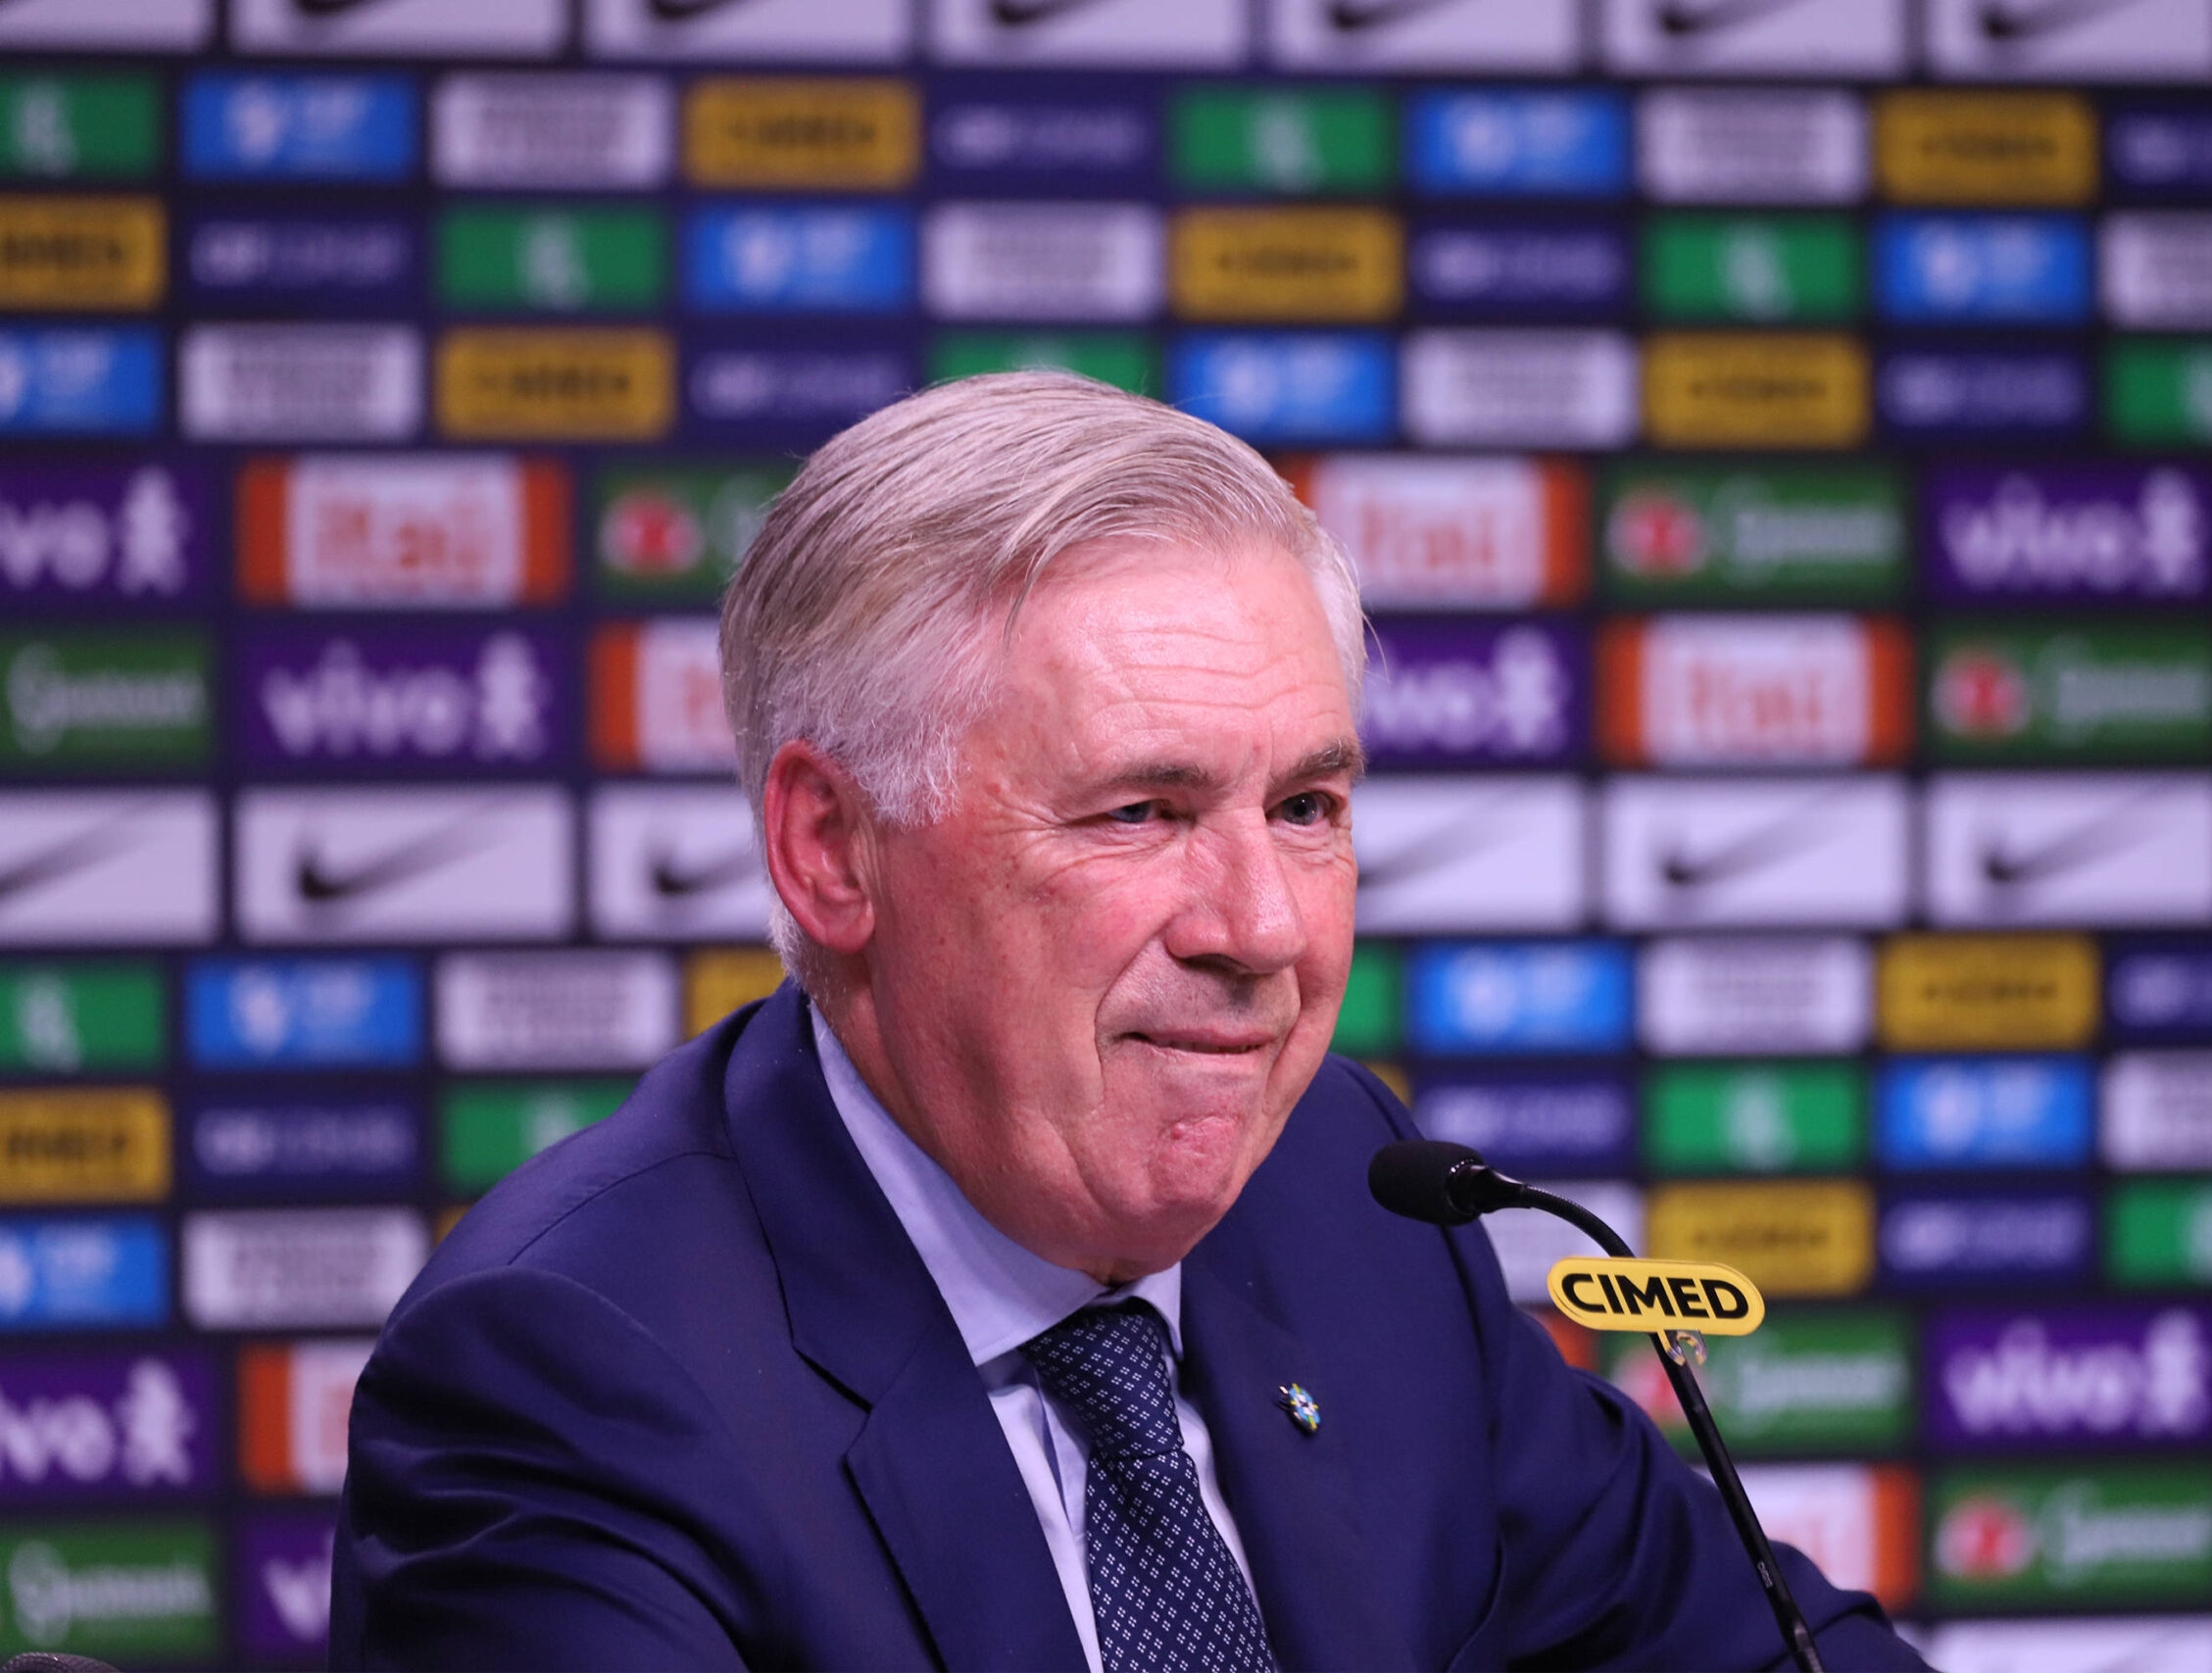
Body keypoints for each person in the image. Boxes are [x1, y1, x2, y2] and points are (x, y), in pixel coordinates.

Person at [332, 372, 1929, 1672]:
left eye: (1307, 805)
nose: (1262, 931)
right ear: (833, 850)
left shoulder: (1343, 1200)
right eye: (1141, 813)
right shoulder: (573, 1374)